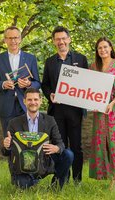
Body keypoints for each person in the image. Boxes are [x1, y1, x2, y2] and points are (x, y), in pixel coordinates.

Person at [41, 26, 88, 183]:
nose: (61, 41)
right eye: (57, 39)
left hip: (75, 110)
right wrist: (50, 95)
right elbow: (45, 84)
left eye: (63, 38)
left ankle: (77, 179)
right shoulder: (49, 62)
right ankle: (62, 177)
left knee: (76, 146)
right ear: (54, 41)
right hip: (57, 111)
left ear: (69, 39)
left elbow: (88, 83)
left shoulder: (81, 59)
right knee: (59, 145)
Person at [2, 88, 74, 189]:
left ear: (40, 101)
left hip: (44, 162)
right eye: (30, 100)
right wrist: (6, 146)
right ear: (24, 101)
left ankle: (56, 186)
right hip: (23, 166)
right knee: (24, 186)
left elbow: (60, 144)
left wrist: (56, 148)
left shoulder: (50, 120)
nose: (33, 102)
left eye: (36, 99)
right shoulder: (14, 123)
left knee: (68, 154)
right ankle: (31, 179)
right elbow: (6, 153)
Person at [88, 37, 115, 189]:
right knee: (103, 143)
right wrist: (91, 103)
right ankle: (107, 175)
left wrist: (112, 103)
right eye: (99, 48)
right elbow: (88, 90)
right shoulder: (93, 67)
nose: (103, 50)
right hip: (99, 111)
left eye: (105, 47)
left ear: (110, 48)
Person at [0, 26, 41, 137]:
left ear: (20, 39)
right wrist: (2, 84)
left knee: (28, 141)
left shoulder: (30, 58)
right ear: (5, 40)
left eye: (16, 37)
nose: (13, 41)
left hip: (26, 106)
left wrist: (29, 84)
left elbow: (37, 83)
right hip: (6, 107)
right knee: (9, 142)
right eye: (10, 38)